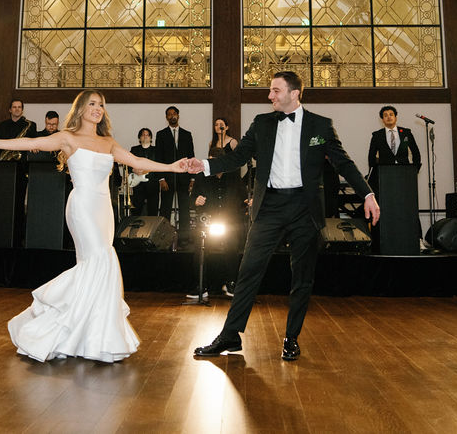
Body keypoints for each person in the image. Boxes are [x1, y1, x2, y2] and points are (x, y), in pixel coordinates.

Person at [0, 90, 188, 363]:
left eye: (101, 105)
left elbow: (138, 162)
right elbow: (32, 142)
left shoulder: (108, 142)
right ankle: (69, 331)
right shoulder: (68, 138)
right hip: (82, 206)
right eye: (93, 104)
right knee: (101, 259)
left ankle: (89, 336)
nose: (98, 109)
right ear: (82, 109)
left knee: (98, 264)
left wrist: (173, 167)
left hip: (103, 208)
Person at [190, 71, 379, 361]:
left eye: (276, 91)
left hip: (305, 208)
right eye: (270, 91)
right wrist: (202, 165)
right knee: (248, 270)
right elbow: (236, 158)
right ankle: (230, 335)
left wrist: (367, 194)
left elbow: (344, 162)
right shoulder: (262, 123)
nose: (270, 96)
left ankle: (291, 338)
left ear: (294, 93)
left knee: (302, 276)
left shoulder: (321, 125)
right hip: (270, 208)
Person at [189, 117, 248, 299]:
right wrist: (195, 200)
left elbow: (243, 197)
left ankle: (231, 283)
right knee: (200, 250)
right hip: (208, 221)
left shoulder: (233, 177)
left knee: (232, 250)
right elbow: (192, 197)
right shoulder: (202, 177)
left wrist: (248, 201)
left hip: (229, 221)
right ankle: (201, 285)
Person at [155, 106, 195, 247]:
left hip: (184, 177)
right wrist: (161, 178)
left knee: (185, 208)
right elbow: (158, 157)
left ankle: (185, 238)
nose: (172, 116)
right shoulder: (161, 134)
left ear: (178, 115)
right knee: (165, 208)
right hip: (167, 177)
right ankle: (163, 238)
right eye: (169, 114)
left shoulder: (187, 134)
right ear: (166, 117)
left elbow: (191, 156)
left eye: (174, 114)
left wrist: (192, 178)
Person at [367, 105, 422, 184]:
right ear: (382, 120)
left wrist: (414, 170)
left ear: (396, 117)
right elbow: (371, 156)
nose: (389, 117)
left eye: (391, 114)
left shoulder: (406, 133)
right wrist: (376, 172)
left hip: (405, 172)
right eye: (385, 115)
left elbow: (415, 152)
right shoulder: (377, 135)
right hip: (385, 173)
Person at [127, 128, 159, 217]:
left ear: (151, 138)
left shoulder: (156, 150)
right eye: (143, 135)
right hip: (138, 185)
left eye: (147, 135)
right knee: (136, 210)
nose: (145, 136)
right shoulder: (134, 150)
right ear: (139, 138)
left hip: (153, 184)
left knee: (153, 210)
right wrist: (133, 170)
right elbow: (128, 163)